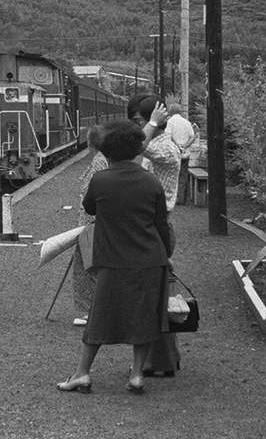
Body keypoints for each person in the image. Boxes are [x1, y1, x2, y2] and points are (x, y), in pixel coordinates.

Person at [56, 120, 173, 396]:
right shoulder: (151, 180)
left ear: (107, 152)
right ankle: (136, 376)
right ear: (136, 151)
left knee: (99, 317)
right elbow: (161, 225)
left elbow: (89, 208)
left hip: (113, 259)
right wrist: (166, 256)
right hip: (149, 259)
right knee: (145, 317)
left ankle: (82, 374)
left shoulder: (101, 180)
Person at [126, 93, 183, 377]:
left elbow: (133, 146)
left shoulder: (166, 149)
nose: (137, 127)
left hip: (159, 228)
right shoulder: (159, 144)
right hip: (153, 226)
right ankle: (164, 358)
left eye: (140, 121)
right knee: (154, 294)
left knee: (154, 297)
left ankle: (160, 361)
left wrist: (152, 121)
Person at [70, 125, 108, 326]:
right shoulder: (100, 160)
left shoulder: (99, 164)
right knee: (87, 266)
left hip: (92, 224)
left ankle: (91, 311)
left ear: (89, 143)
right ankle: (93, 309)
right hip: (89, 223)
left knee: (89, 267)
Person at [164, 104, 196, 204]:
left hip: (173, 153)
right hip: (185, 154)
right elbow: (192, 137)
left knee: (172, 175)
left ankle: (173, 198)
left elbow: (169, 136)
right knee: (183, 175)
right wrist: (184, 146)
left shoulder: (169, 122)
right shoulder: (186, 122)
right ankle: (182, 199)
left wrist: (177, 145)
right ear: (180, 112)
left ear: (170, 111)